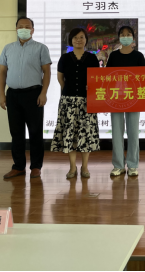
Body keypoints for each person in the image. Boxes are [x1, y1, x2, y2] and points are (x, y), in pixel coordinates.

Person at [0, 17, 52, 180]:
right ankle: (18, 166)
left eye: (27, 27)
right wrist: (1, 94)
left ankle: (36, 166)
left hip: (33, 94)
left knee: (35, 132)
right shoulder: (8, 48)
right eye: (20, 26)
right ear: (16, 29)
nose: (24, 29)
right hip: (13, 95)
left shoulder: (41, 48)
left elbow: (47, 72)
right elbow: (2, 72)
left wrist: (43, 93)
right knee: (16, 133)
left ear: (32, 30)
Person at [107, 26, 145, 178]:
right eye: (122, 35)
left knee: (133, 132)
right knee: (116, 132)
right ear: (119, 38)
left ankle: (133, 165)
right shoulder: (113, 56)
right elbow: (106, 77)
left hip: (134, 98)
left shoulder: (138, 56)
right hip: (116, 98)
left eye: (128, 34)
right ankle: (118, 165)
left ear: (133, 38)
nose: (125, 37)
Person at [51, 28, 101, 179]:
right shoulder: (64, 58)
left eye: (81, 37)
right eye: (75, 37)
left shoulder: (92, 58)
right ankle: (72, 167)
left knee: (86, 134)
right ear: (71, 40)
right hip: (68, 101)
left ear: (86, 40)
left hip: (87, 101)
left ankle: (84, 167)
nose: (78, 40)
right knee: (70, 134)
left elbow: (97, 79)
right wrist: (68, 90)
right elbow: (60, 78)